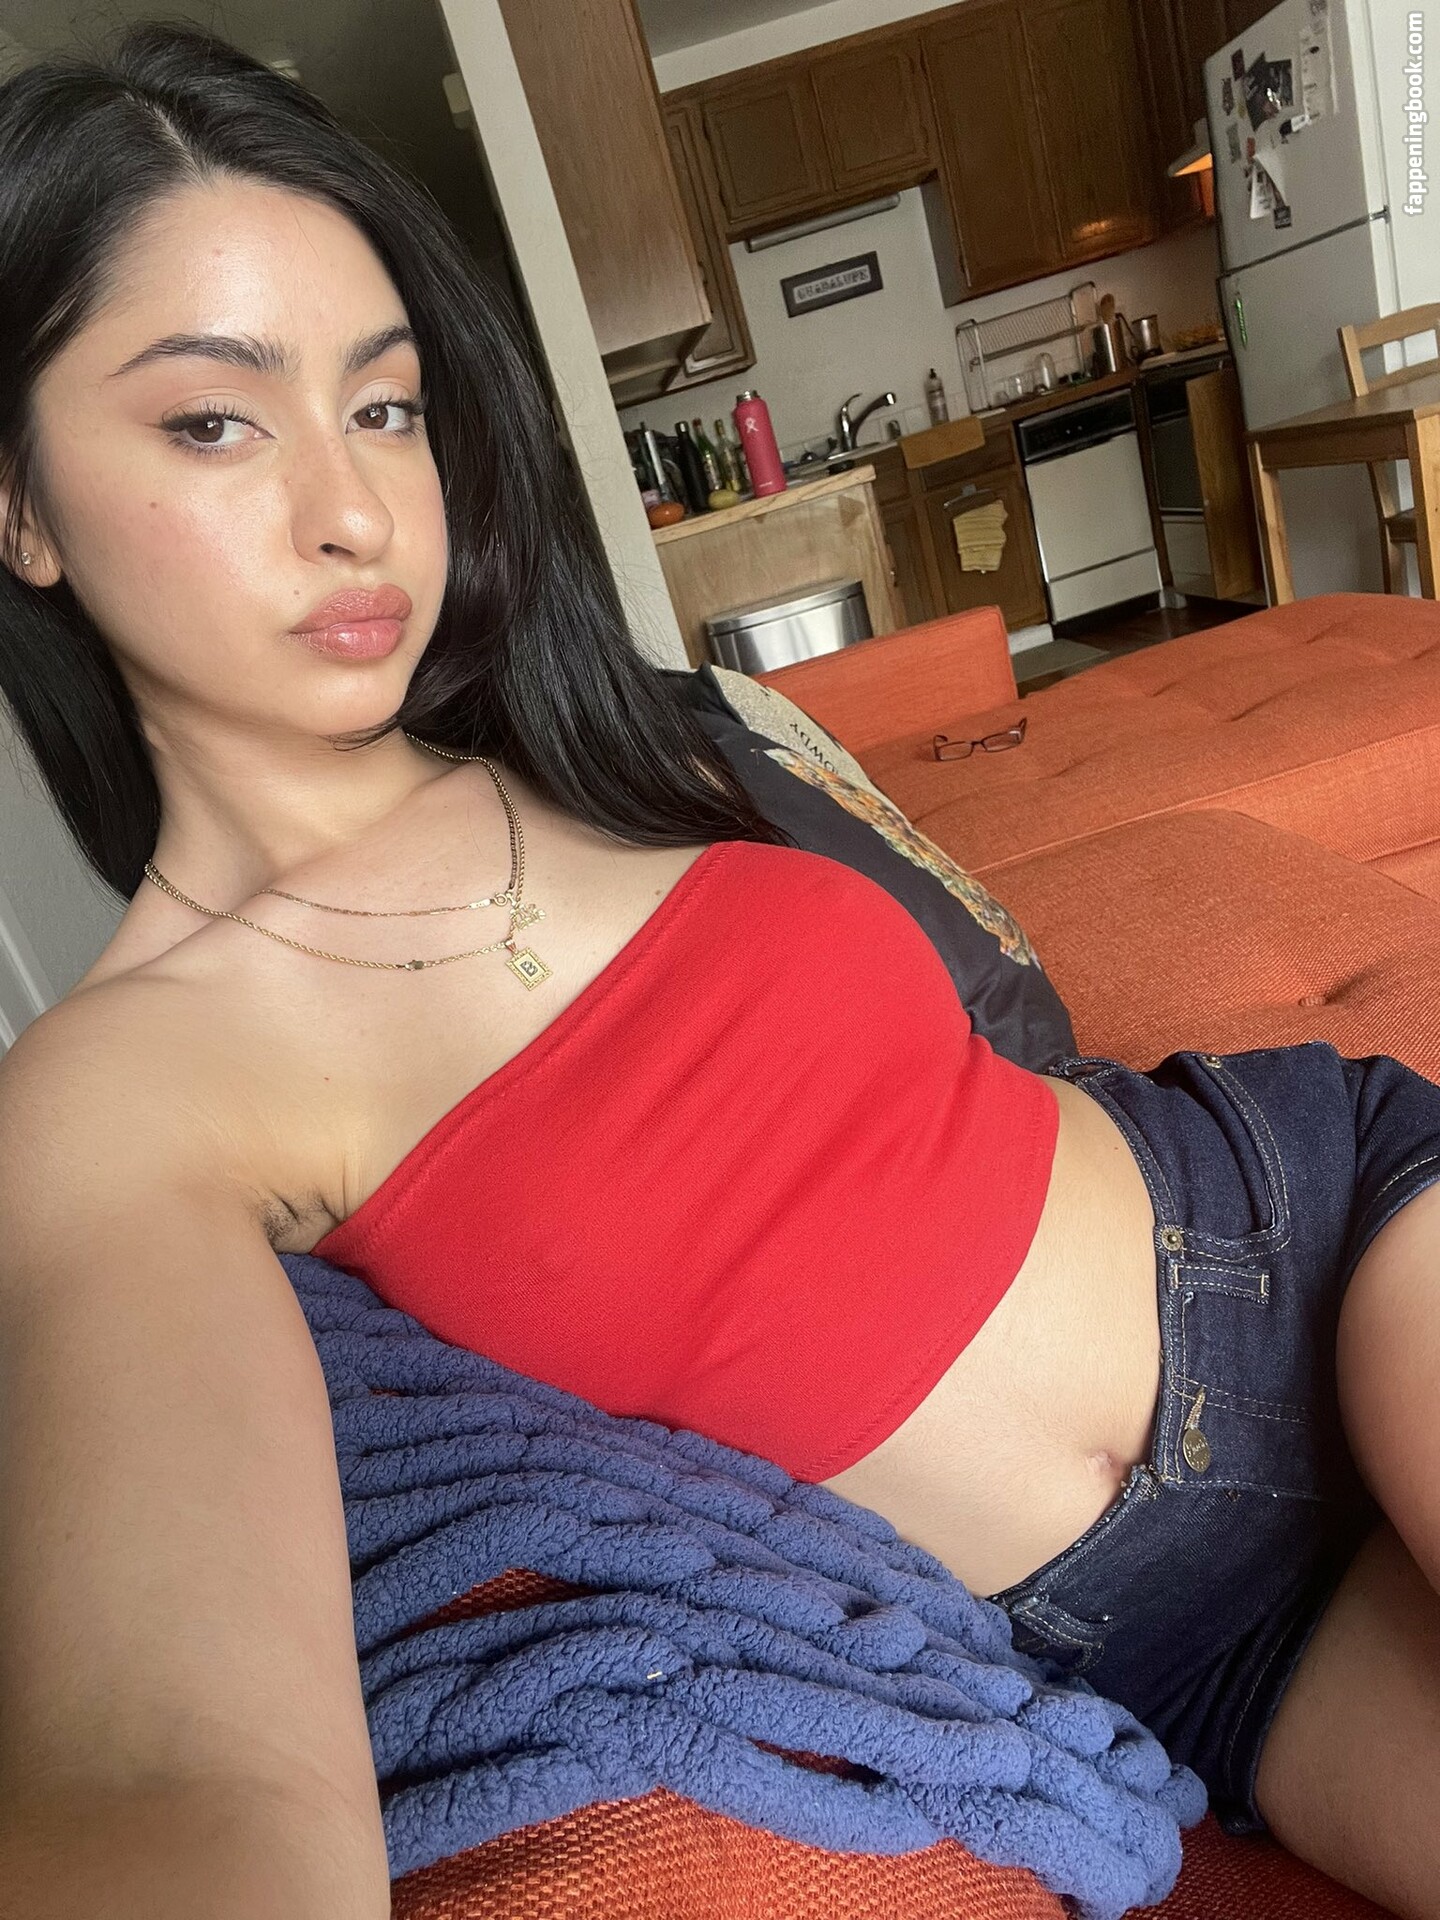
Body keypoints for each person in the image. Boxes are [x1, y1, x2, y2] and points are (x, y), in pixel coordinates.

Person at [0, 22, 1435, 1920]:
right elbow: (179, 1774)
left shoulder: (607, 733)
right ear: (20, 503)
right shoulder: (118, 1094)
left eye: (387, 406)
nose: (352, 509)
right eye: (212, 420)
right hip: (1183, 1640)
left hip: (1302, 1236)